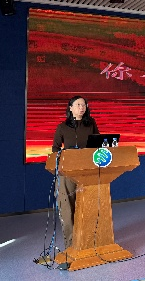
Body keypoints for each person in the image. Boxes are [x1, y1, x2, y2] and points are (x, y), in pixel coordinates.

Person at [52, 96, 99, 249]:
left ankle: (88, 241)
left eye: (84, 105)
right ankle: (71, 244)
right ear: (70, 108)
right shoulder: (62, 127)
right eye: (78, 104)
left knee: (87, 206)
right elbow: (55, 149)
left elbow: (98, 144)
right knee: (67, 208)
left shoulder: (91, 124)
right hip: (67, 173)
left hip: (88, 171)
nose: (81, 107)